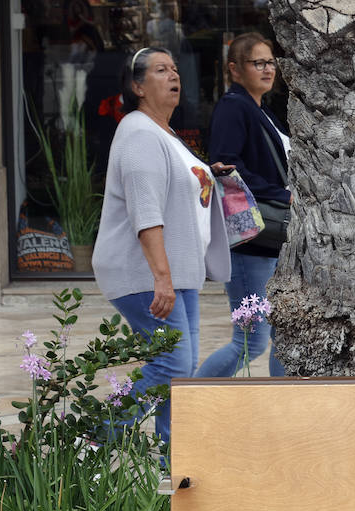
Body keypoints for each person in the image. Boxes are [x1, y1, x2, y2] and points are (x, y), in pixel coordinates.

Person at [92, 46, 230, 447]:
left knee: (180, 369)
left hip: (178, 271)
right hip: (145, 274)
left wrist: (210, 175)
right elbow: (146, 212)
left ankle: (175, 462)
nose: (173, 76)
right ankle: (97, 441)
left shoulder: (163, 132)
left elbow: (177, 185)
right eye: (159, 70)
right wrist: (162, 279)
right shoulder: (138, 133)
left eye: (174, 69)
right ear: (137, 86)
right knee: (172, 362)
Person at [196, 32, 289, 378]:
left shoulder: (259, 108)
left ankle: (282, 408)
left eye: (271, 62)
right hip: (251, 240)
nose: (267, 69)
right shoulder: (234, 107)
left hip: (268, 239)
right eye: (258, 62)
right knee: (250, 340)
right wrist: (282, 195)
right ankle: (191, 404)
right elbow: (228, 166)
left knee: (284, 332)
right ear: (235, 69)